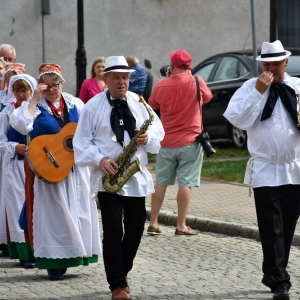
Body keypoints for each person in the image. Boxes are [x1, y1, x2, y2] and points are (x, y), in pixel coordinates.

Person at [73, 56, 164, 300]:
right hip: (108, 178)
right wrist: (100, 159)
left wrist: (148, 138)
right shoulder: (92, 106)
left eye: (125, 77)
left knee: (135, 229)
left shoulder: (139, 102)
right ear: (105, 79)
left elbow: (157, 129)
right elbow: (81, 142)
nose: (122, 82)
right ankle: (117, 286)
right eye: (116, 77)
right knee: (113, 230)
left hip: (134, 177)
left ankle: (121, 272)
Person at [9, 63, 102, 280]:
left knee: (77, 211)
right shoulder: (35, 106)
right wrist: (33, 99)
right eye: (46, 85)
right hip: (49, 171)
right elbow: (20, 125)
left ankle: (78, 253)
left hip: (75, 171)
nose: (51, 89)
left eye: (55, 84)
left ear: (62, 84)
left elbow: (92, 128)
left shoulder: (75, 104)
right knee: (55, 215)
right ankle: (54, 261)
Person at [223, 40, 300, 300]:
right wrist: (258, 91)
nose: (271, 68)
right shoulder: (249, 88)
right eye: (267, 64)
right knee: (271, 226)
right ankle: (280, 282)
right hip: (265, 168)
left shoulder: (297, 87)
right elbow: (238, 119)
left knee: (287, 225)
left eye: (276, 64)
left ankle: (273, 272)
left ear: (285, 63)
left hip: (294, 168)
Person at [148, 49, 213, 236]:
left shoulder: (161, 85)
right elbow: (208, 98)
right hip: (190, 142)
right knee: (186, 183)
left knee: (160, 182)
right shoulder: (196, 82)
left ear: (172, 65)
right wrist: (191, 78)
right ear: (189, 66)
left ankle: (153, 222)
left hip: (166, 142)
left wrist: (169, 80)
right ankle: (181, 225)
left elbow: (153, 105)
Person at [0, 74, 38, 268]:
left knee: (37, 207)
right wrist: (15, 146)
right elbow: (0, 140)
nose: (21, 95)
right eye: (17, 90)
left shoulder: (39, 111)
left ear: (32, 91)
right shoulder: (7, 113)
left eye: (24, 90)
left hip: (38, 166)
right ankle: (24, 253)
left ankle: (40, 249)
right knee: (18, 207)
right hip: (16, 166)